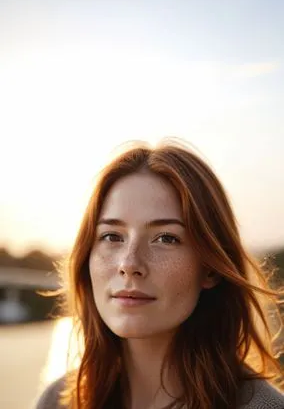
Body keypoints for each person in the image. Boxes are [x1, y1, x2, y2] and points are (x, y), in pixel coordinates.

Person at [35, 138, 284, 409]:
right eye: (111, 236)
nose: (129, 263)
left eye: (166, 238)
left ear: (210, 269)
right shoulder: (58, 401)